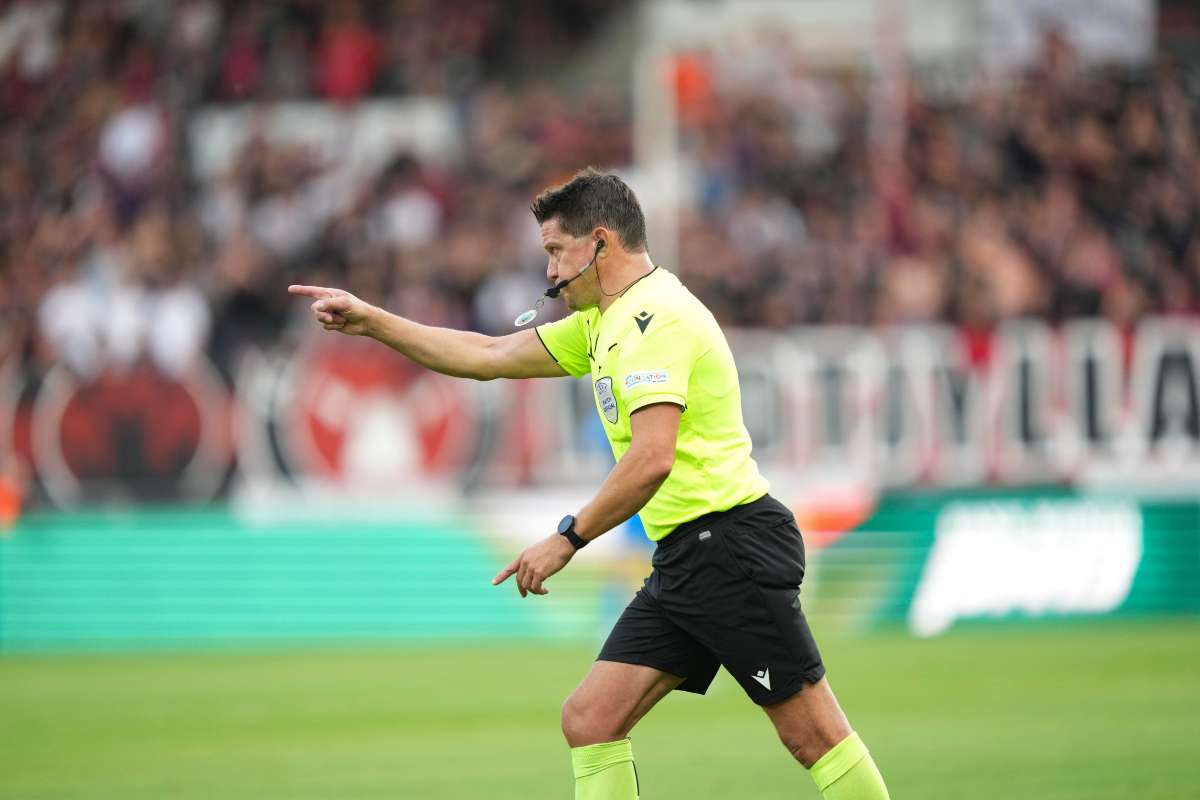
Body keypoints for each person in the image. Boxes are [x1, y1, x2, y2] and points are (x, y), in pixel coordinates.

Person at [289, 168, 890, 800]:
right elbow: (487, 357)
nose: (548, 271)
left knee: (813, 737)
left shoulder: (652, 321)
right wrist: (374, 322)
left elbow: (652, 458)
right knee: (590, 720)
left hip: (729, 546)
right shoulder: (605, 320)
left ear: (599, 243)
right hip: (692, 552)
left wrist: (567, 539)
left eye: (555, 251)